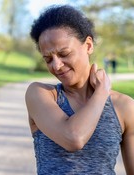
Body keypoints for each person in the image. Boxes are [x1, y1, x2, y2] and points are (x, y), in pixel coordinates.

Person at [25, 5, 134, 175]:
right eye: (48, 59)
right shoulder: (40, 94)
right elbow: (73, 138)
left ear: (88, 45)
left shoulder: (124, 107)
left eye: (64, 53)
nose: (56, 65)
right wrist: (101, 92)